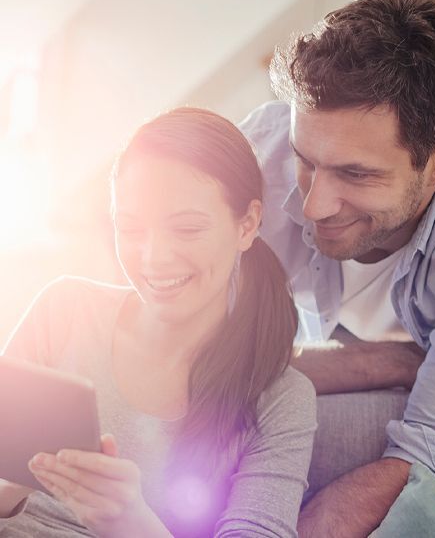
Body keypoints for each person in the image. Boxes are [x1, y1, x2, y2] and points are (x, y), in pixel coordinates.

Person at [239, 0, 435, 536]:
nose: (313, 207)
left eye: (357, 174)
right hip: (347, 370)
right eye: (307, 162)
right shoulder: (261, 152)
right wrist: (391, 362)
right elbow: (198, 355)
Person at [0, 107, 317, 537]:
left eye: (186, 229)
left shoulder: (280, 399)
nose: (153, 258)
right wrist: (21, 474)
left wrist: (130, 522)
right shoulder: (64, 310)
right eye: (130, 228)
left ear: (247, 224)